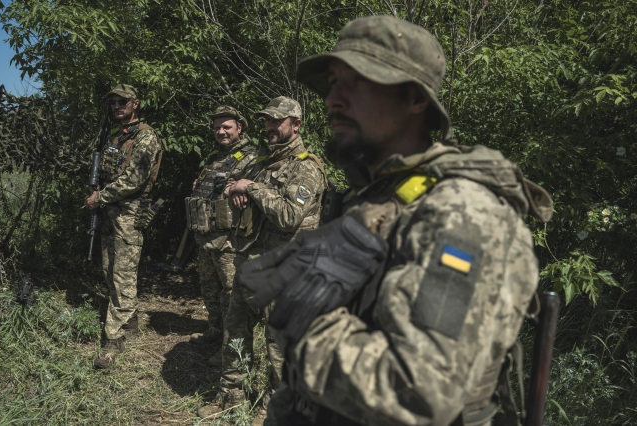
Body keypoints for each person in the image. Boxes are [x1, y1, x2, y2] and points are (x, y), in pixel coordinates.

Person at [237, 16, 554, 426]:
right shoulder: (376, 195)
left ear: (416, 100)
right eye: (333, 82)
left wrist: (311, 321)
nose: (333, 99)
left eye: (357, 81)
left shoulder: (461, 212)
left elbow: (420, 390)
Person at [196, 97, 327, 422]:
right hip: (251, 261)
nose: (269, 127)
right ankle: (230, 395)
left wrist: (251, 188)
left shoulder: (306, 167)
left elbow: (288, 215)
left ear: (295, 125)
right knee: (234, 331)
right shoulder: (264, 162)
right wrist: (235, 190)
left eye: (276, 121)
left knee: (278, 347)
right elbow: (234, 184)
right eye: (266, 121)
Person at [84, 84, 164, 369]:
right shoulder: (115, 135)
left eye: (122, 102)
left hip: (129, 212)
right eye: (113, 102)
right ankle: (129, 322)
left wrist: (99, 197)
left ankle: (112, 339)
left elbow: (135, 179)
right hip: (109, 210)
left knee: (122, 274)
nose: (117, 106)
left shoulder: (145, 137)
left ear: (135, 104)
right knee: (109, 268)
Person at [185, 106, 265, 370]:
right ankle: (215, 331)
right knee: (210, 290)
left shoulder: (252, 157)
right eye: (218, 127)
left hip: (231, 240)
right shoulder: (214, 156)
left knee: (232, 295)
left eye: (226, 127)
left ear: (239, 128)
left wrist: (240, 188)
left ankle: (232, 350)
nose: (221, 131)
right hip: (206, 235)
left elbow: (258, 187)